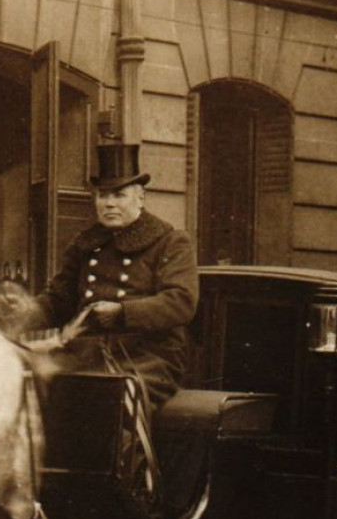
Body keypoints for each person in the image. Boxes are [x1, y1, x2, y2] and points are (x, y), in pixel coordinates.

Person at [12, 142, 198, 410]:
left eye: (119, 195)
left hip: (148, 357)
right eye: (102, 195)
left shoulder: (170, 242)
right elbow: (57, 301)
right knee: (26, 390)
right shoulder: (86, 243)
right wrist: (22, 314)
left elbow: (181, 302)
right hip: (87, 353)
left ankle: (125, 453)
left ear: (140, 198)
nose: (108, 204)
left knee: (109, 402)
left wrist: (122, 312)